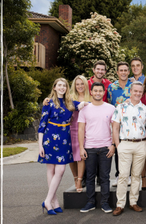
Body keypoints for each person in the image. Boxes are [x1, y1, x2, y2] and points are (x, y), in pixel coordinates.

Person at [38, 78, 80, 215]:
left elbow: (88, 104)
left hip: (64, 139)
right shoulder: (48, 102)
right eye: (59, 85)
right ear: (54, 87)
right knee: (51, 170)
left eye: (64, 85)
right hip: (50, 138)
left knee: (60, 170)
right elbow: (42, 125)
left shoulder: (70, 103)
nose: (62, 87)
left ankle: (47, 200)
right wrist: (40, 146)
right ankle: (53, 202)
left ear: (67, 88)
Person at [112, 81, 146, 216]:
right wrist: (118, 145)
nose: (138, 93)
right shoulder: (120, 107)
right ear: (130, 91)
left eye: (140, 91)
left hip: (141, 144)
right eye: (135, 91)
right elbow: (115, 127)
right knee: (123, 175)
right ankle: (120, 204)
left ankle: (133, 202)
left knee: (136, 175)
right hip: (125, 144)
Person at [78, 82, 116, 214]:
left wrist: (113, 145)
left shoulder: (111, 108)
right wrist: (81, 148)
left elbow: (115, 129)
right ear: (92, 92)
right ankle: (90, 202)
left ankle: (105, 203)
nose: (98, 93)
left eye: (100, 91)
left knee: (105, 177)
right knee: (90, 177)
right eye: (96, 91)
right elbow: (81, 128)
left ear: (104, 92)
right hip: (89, 148)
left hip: (106, 147)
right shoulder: (85, 108)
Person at [107, 62, 132, 187]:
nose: (123, 72)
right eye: (121, 70)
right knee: (119, 150)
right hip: (117, 123)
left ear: (128, 72)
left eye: (125, 70)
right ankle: (119, 175)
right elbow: (107, 104)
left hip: (131, 124)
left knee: (131, 149)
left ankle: (130, 176)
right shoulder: (111, 87)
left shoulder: (133, 86)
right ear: (117, 72)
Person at [69, 75, 91, 192]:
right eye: (77, 84)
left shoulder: (90, 97)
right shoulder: (70, 97)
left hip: (85, 130)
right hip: (72, 128)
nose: (80, 86)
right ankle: (75, 177)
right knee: (72, 156)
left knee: (81, 155)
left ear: (85, 85)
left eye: (82, 84)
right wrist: (47, 100)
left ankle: (80, 180)